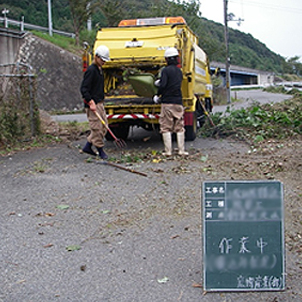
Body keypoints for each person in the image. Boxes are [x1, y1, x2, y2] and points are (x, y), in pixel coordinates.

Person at [153, 47, 188, 156]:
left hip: (167, 102)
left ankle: (168, 151)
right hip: (178, 102)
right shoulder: (179, 71)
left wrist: (157, 95)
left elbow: (164, 85)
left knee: (166, 127)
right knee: (179, 127)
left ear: (167, 59)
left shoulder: (165, 70)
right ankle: (181, 150)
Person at [80, 45, 110, 159]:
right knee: (96, 128)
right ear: (96, 57)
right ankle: (100, 150)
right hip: (92, 104)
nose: (104, 62)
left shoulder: (99, 70)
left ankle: (88, 146)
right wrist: (90, 101)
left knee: (104, 127)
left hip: (100, 103)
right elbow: (84, 89)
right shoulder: (91, 70)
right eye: (102, 60)